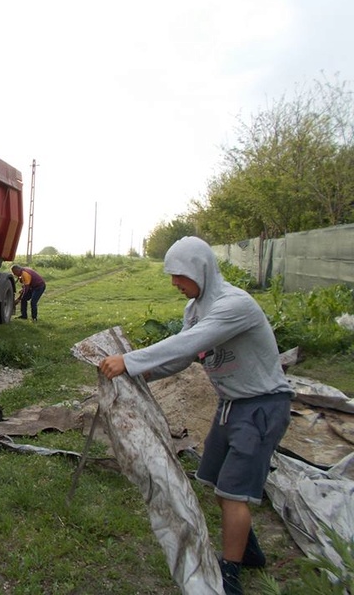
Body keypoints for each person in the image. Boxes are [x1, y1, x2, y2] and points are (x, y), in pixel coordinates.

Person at [98, 236, 293, 595]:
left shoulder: (234, 305)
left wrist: (131, 360)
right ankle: (249, 551)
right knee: (221, 488)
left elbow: (187, 343)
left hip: (262, 406)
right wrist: (141, 374)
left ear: (199, 270)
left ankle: (230, 573)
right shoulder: (196, 309)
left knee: (234, 495)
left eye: (179, 276)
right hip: (231, 405)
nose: (175, 283)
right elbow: (184, 356)